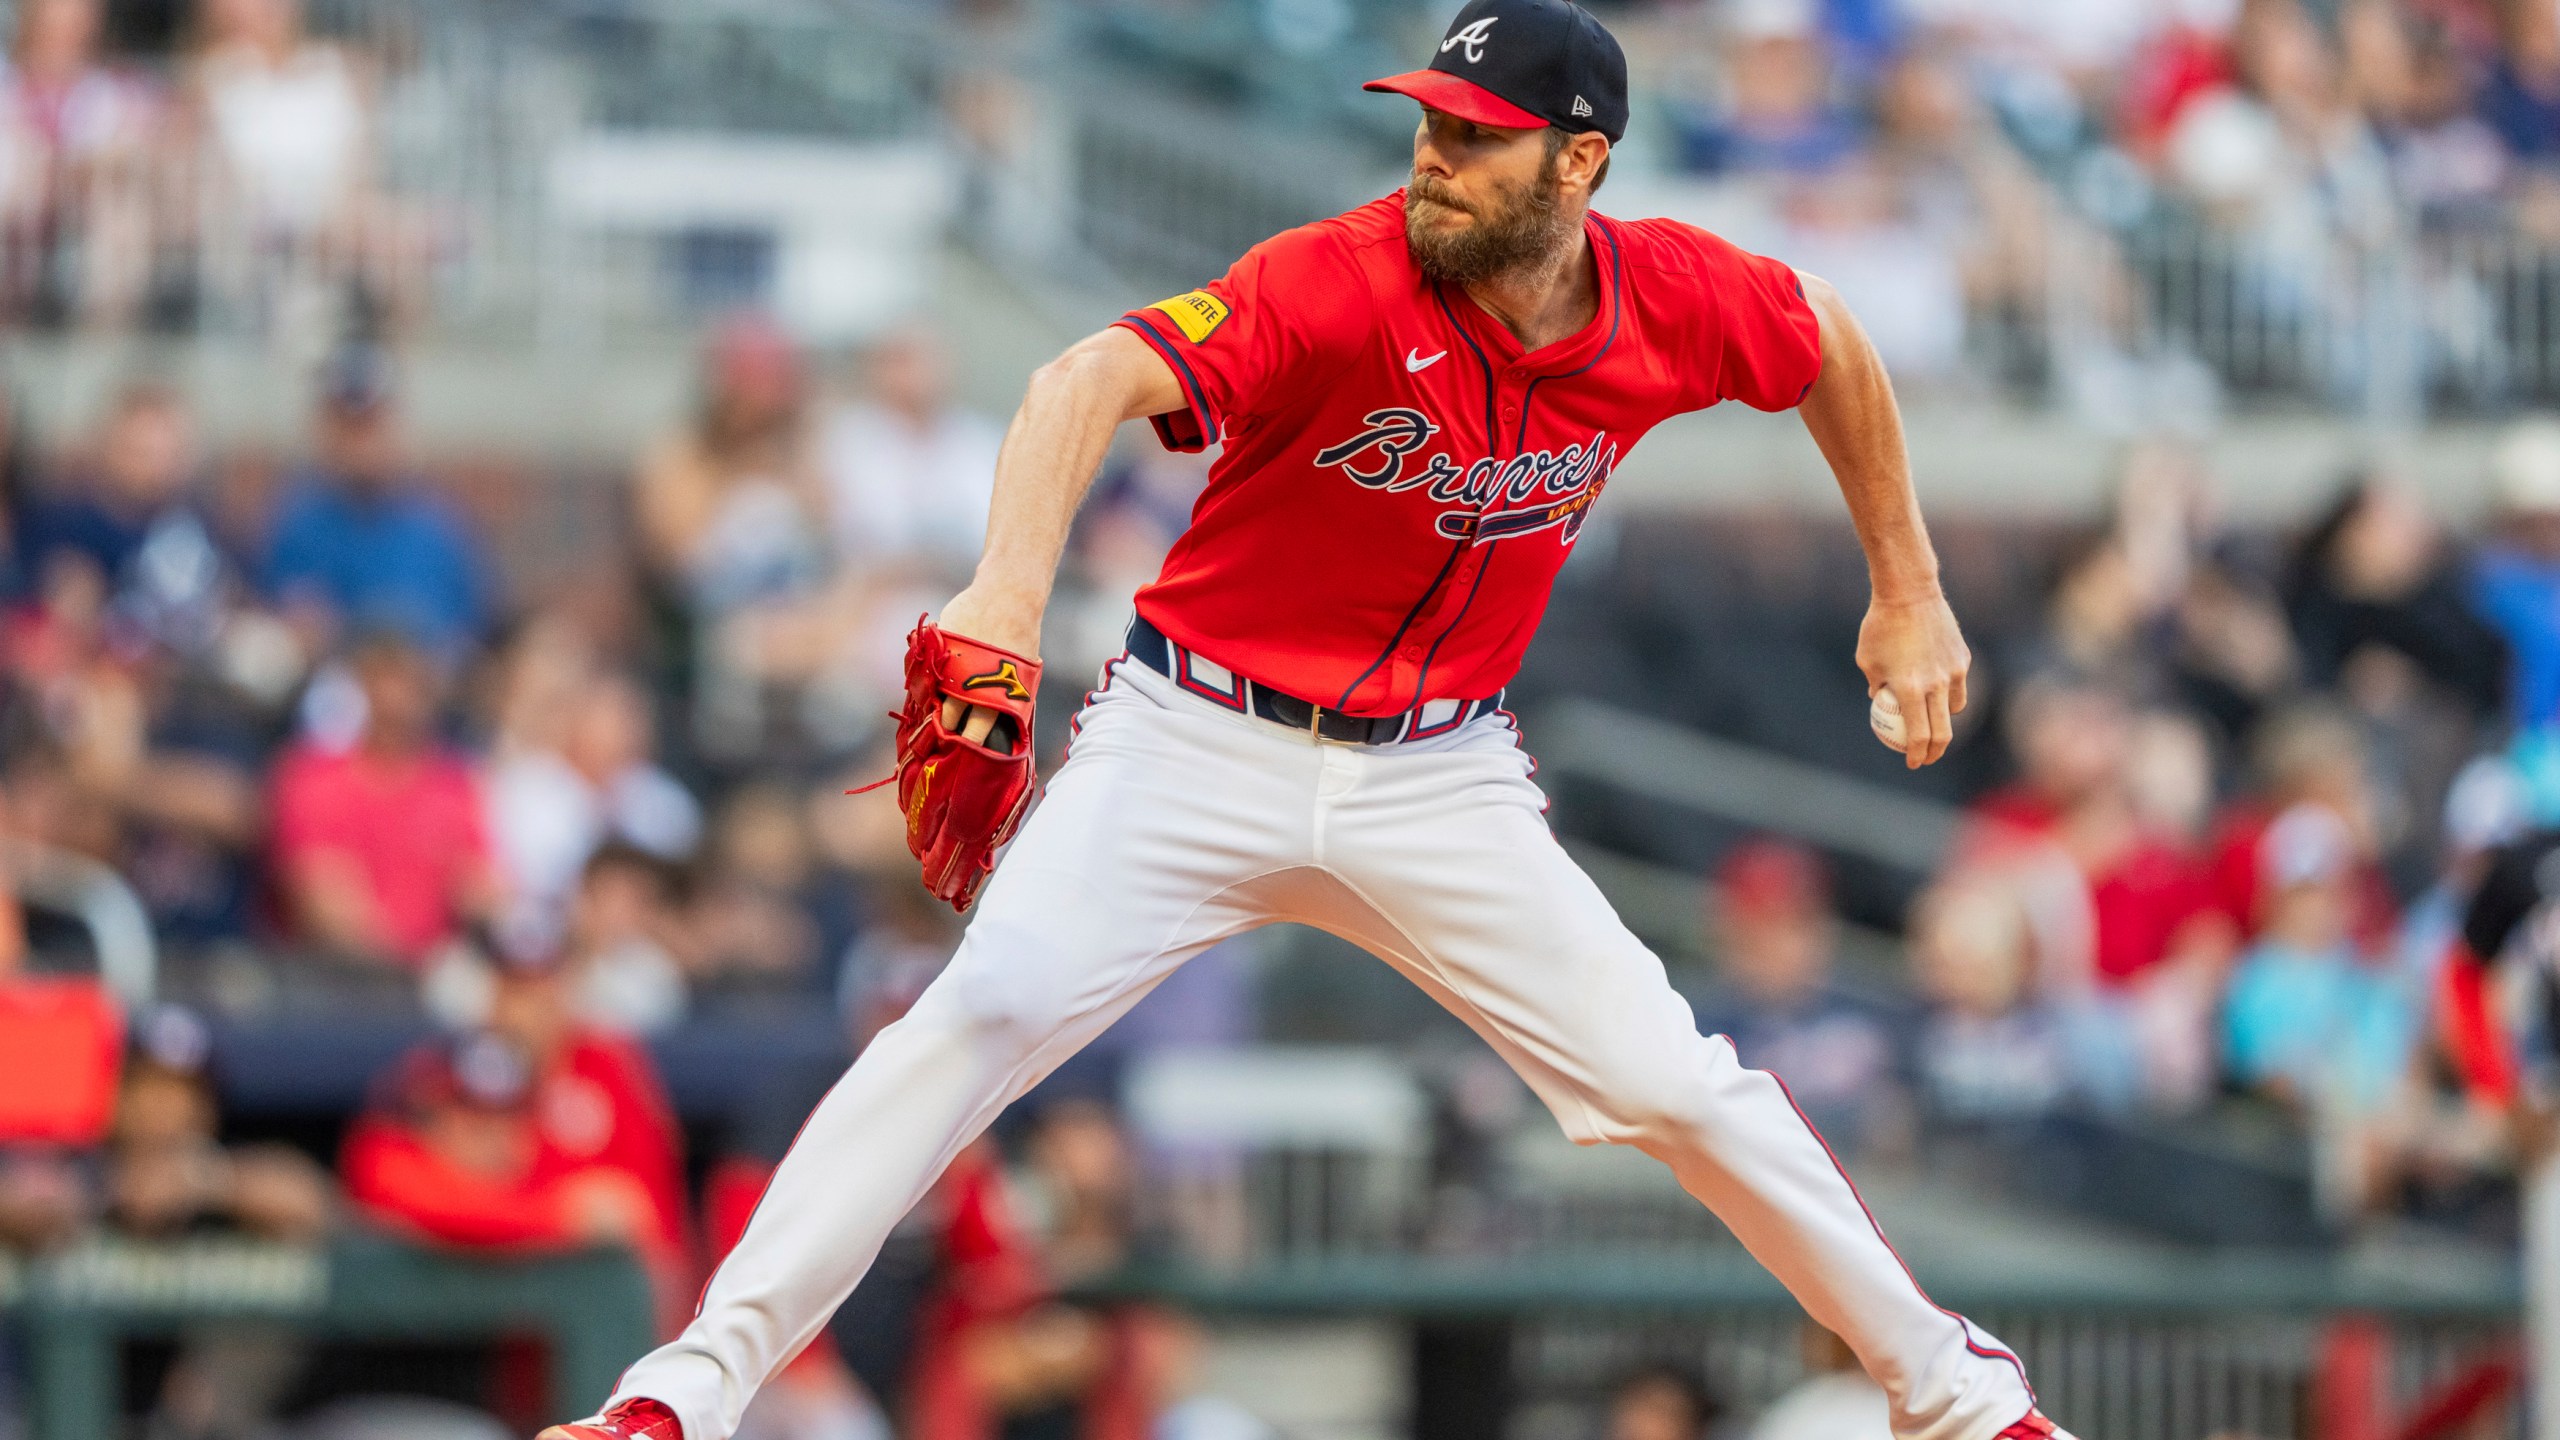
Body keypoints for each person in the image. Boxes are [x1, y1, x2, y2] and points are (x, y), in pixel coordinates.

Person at [547, 3, 2069, 1437]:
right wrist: (1006, 595)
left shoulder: (1669, 294)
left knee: (1674, 1084)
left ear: (1581, 160)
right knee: (974, 1020)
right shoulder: (1335, 278)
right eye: (1429, 123)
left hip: (1439, 777)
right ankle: (677, 1397)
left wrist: (1909, 584)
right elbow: (1088, 378)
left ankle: (1963, 1397)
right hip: (1195, 739)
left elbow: (1830, 348)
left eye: (1477, 135)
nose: (1435, 156)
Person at [268, 629, 499, 966]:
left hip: (432, 980)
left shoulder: (453, 783)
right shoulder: (312, 777)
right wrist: (413, 971)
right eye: (384, 680)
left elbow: (481, 886)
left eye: (413, 684)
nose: (398, 699)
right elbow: (323, 904)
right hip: (329, 979)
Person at [263, 347, 491, 659]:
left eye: (370, 424)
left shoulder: (441, 527)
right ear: (323, 428)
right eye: (347, 425)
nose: (360, 442)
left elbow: (477, 635)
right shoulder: (291, 526)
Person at [1688, 838, 1906, 1156]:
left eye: (1804, 924)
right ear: (1732, 934)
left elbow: (1901, 1122)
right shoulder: (1704, 1032)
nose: (1792, 944)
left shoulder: (1871, 1011)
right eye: (1769, 927)